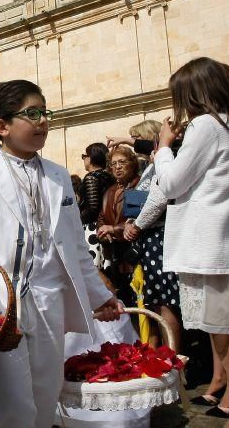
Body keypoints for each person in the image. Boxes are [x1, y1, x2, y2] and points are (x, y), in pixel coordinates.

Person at [0, 79, 122, 428]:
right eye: (32, 113)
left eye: (45, 112)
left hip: (49, 299)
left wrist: (99, 295)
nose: (43, 120)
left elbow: (74, 244)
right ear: (2, 126)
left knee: (46, 393)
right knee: (9, 401)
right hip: (1, 303)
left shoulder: (59, 175)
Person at [154, 57, 229, 427]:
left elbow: (171, 183)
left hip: (211, 245)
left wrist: (164, 148)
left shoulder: (207, 124)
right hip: (223, 242)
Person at [122, 120, 182, 354]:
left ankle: (173, 356)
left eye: (137, 138)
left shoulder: (162, 162)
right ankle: (161, 353)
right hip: (149, 236)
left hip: (159, 236)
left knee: (165, 301)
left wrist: (136, 225)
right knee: (154, 301)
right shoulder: (151, 164)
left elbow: (158, 198)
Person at [96, 145, 141, 306]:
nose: (117, 167)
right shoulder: (110, 190)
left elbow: (138, 218)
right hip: (116, 254)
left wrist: (113, 229)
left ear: (132, 163)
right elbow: (101, 217)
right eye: (114, 164)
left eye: (122, 162)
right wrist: (102, 230)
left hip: (135, 254)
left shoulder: (139, 185)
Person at [77, 142, 113, 227]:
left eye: (84, 156)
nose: (83, 159)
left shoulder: (91, 177)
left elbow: (92, 209)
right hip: (108, 222)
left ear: (91, 158)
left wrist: (75, 220)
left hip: (93, 227)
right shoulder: (109, 176)